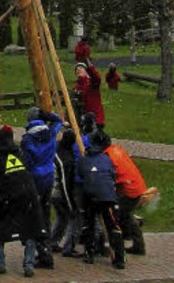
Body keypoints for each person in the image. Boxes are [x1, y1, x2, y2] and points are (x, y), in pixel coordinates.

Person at [0, 124, 46, 278]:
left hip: (7, 196)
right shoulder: (20, 153)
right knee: (30, 229)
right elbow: (28, 169)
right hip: (28, 194)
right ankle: (28, 264)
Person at [73, 130, 124, 268]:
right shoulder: (107, 159)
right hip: (107, 197)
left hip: (90, 196)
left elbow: (80, 175)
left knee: (89, 224)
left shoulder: (83, 160)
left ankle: (89, 254)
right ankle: (119, 259)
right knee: (113, 226)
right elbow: (113, 175)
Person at [19, 106, 62, 267]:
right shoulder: (50, 133)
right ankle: (47, 246)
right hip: (49, 178)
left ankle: (43, 253)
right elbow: (59, 120)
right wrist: (47, 114)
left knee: (34, 217)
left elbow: (27, 163)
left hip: (34, 181)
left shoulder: (27, 140)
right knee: (45, 214)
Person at [103, 136, 147, 256]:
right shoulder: (116, 149)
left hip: (129, 190)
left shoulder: (108, 157)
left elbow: (111, 177)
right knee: (125, 215)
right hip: (136, 186)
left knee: (116, 215)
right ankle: (138, 245)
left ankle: (116, 247)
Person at [50, 127, 78, 257]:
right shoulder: (66, 160)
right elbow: (65, 184)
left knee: (62, 217)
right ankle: (69, 246)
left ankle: (52, 242)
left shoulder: (56, 151)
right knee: (73, 216)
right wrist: (70, 203)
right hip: (59, 192)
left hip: (51, 190)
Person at [72, 61, 105, 127]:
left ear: (86, 71)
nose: (78, 69)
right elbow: (72, 104)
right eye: (76, 69)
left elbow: (97, 78)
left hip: (96, 120)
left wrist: (90, 67)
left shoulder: (91, 82)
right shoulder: (76, 88)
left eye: (81, 67)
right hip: (82, 121)